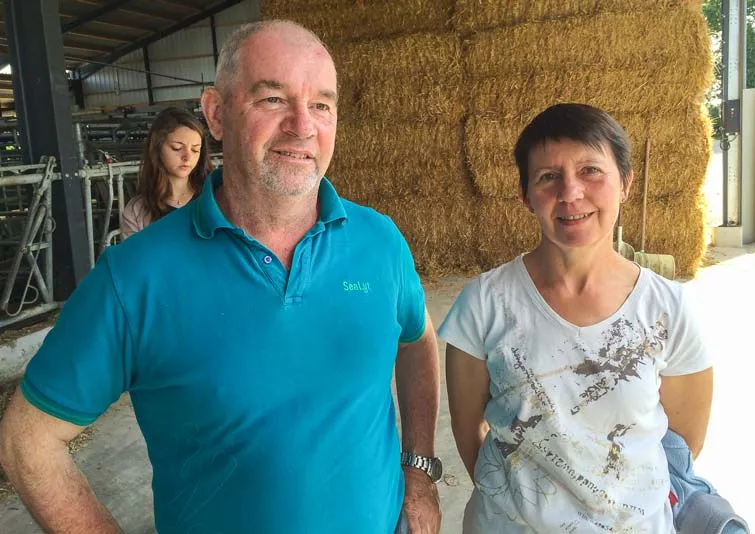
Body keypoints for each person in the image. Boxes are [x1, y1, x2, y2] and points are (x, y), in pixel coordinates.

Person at [0, 20, 442, 534]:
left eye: (322, 105)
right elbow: (27, 440)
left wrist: (419, 470)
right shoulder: (135, 277)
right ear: (215, 113)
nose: (302, 126)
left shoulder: (379, 241)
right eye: (273, 99)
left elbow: (417, 340)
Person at [439, 103, 713, 533]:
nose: (570, 192)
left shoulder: (667, 310)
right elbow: (468, 430)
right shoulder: (483, 304)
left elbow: (682, 443)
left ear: (626, 183)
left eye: (591, 171)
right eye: (548, 177)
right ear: (525, 195)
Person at [120, 106, 213, 238]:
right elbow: (133, 251)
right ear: (157, 148)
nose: (187, 157)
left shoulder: (214, 198)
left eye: (195, 150)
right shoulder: (137, 211)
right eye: (177, 148)